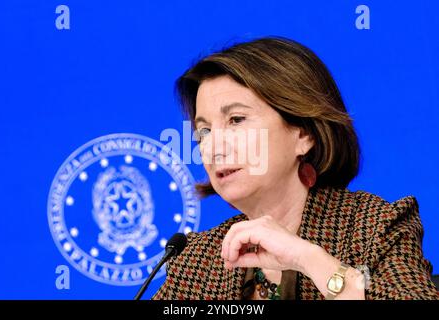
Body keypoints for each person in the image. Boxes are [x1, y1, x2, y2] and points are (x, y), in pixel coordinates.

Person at [152, 36, 439, 300]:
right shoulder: (195, 258)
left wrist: (307, 258)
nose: (213, 147)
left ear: (303, 134)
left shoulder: (375, 226)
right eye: (203, 132)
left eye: (237, 120)